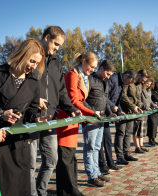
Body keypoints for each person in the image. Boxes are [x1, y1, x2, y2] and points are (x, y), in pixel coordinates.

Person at [0, 39, 51, 196]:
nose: (33, 66)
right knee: (3, 187)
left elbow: (31, 110)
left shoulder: (34, 82)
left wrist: (36, 119)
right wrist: (1, 113)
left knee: (21, 186)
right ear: (22, 55)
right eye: (32, 61)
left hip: (20, 141)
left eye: (37, 63)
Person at [30, 26, 81, 196]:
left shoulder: (57, 63)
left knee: (51, 160)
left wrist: (71, 109)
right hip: (30, 120)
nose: (58, 48)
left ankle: (41, 191)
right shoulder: (31, 58)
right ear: (46, 37)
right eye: (56, 43)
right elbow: (20, 85)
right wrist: (33, 101)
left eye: (60, 45)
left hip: (50, 119)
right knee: (30, 164)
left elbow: (61, 92)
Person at [55, 52, 98, 196]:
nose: (93, 70)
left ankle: (69, 190)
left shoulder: (82, 76)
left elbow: (80, 101)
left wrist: (90, 112)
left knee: (71, 157)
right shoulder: (72, 75)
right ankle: (69, 191)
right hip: (65, 120)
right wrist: (92, 113)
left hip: (73, 120)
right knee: (65, 158)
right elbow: (73, 101)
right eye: (92, 66)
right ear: (84, 61)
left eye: (94, 68)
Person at [83, 60, 117, 187]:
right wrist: (92, 112)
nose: (108, 77)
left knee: (97, 147)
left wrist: (109, 113)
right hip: (91, 119)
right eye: (107, 74)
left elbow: (106, 100)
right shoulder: (89, 80)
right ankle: (91, 177)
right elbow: (82, 100)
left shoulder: (105, 82)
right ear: (101, 69)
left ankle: (96, 172)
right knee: (90, 148)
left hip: (101, 118)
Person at [98, 69, 137, 175]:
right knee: (100, 142)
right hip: (102, 113)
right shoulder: (113, 80)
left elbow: (117, 100)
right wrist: (112, 107)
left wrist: (119, 111)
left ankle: (111, 163)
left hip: (109, 113)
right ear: (126, 75)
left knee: (108, 140)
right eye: (129, 81)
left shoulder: (122, 83)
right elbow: (105, 96)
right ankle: (102, 165)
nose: (129, 84)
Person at [117, 70, 148, 164]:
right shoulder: (129, 82)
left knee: (128, 133)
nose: (143, 82)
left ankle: (127, 154)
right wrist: (133, 106)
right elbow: (123, 96)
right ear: (138, 75)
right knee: (121, 133)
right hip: (123, 111)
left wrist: (138, 107)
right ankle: (119, 156)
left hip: (132, 112)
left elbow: (138, 98)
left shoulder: (139, 85)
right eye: (142, 80)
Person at [133, 77, 158, 153]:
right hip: (139, 112)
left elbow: (149, 100)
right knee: (136, 132)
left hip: (145, 114)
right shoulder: (139, 89)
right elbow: (138, 101)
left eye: (150, 84)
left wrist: (153, 105)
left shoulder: (149, 90)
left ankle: (141, 146)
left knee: (142, 131)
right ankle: (137, 147)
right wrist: (147, 107)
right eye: (147, 83)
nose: (148, 85)